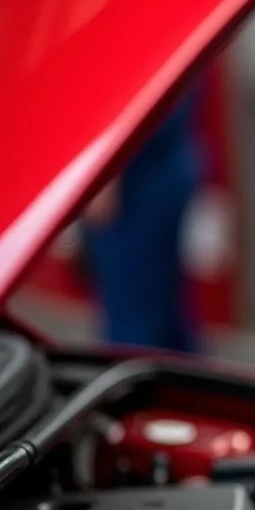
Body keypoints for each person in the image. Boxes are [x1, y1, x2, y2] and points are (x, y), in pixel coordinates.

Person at [81, 81, 204, 353]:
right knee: (162, 305)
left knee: (133, 311)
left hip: (137, 173)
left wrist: (106, 175)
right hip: (163, 159)